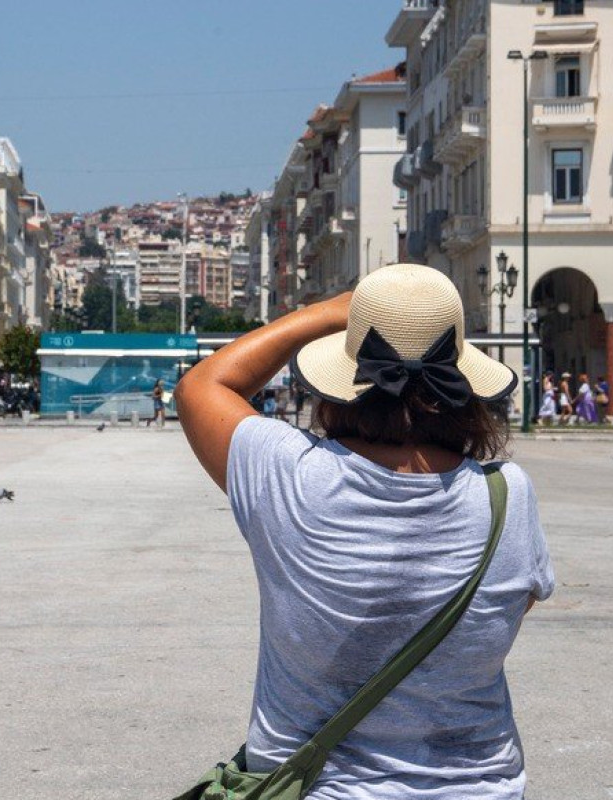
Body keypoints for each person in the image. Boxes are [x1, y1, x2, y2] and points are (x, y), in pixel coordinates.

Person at [174, 264, 553, 799]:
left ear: (344, 377)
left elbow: (203, 384)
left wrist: (331, 312)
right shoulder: (508, 496)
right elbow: (510, 609)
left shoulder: (291, 475)